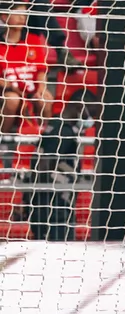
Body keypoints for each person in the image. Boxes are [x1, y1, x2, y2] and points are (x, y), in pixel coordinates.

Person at [24, 89, 99, 241]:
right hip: (55, 205)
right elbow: (43, 164)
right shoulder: (64, 131)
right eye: (89, 113)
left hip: (50, 202)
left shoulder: (55, 123)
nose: (90, 119)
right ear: (80, 107)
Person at [0, 2, 52, 133]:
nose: (22, 18)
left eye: (24, 15)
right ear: (5, 17)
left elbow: (41, 70)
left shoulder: (33, 40)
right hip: (7, 92)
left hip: (30, 92)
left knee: (45, 98)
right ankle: (3, 139)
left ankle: (42, 138)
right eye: (18, 14)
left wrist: (41, 88)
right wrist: (12, 86)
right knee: (12, 100)